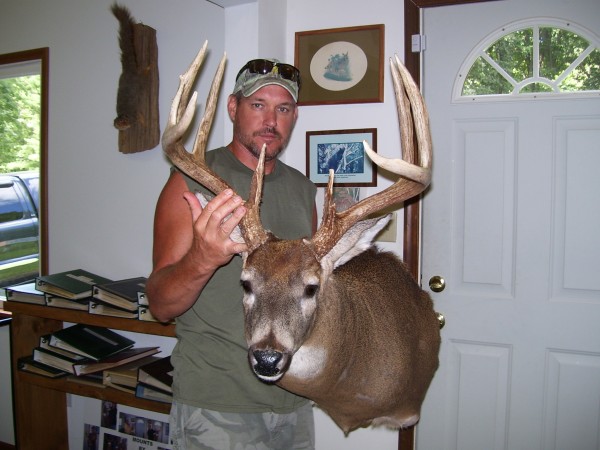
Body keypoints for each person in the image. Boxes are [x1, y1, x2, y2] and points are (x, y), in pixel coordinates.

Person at [146, 58, 317, 450]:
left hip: (294, 400)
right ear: (233, 108)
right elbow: (160, 304)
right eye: (258, 105)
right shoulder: (190, 182)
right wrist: (203, 258)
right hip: (218, 405)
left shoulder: (303, 189)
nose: (270, 119)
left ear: (294, 116)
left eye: (283, 108)